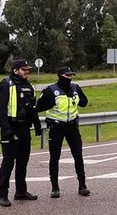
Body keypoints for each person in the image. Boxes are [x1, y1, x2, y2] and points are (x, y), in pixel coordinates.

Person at [0, 58, 43, 207]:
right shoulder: (6, 85)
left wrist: (37, 124)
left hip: (24, 129)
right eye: (24, 70)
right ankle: (3, 195)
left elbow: (32, 108)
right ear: (15, 70)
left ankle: (21, 192)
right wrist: (6, 129)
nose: (27, 72)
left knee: (23, 162)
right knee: (8, 163)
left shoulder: (29, 86)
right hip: (11, 129)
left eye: (28, 70)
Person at [36, 66, 90, 198]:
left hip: (72, 127)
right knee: (54, 157)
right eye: (67, 75)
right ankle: (55, 187)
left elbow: (84, 102)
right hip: (56, 128)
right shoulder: (50, 90)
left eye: (71, 75)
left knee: (78, 155)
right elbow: (38, 107)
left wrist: (77, 100)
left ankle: (82, 185)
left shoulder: (76, 88)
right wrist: (51, 103)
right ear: (60, 76)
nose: (70, 78)